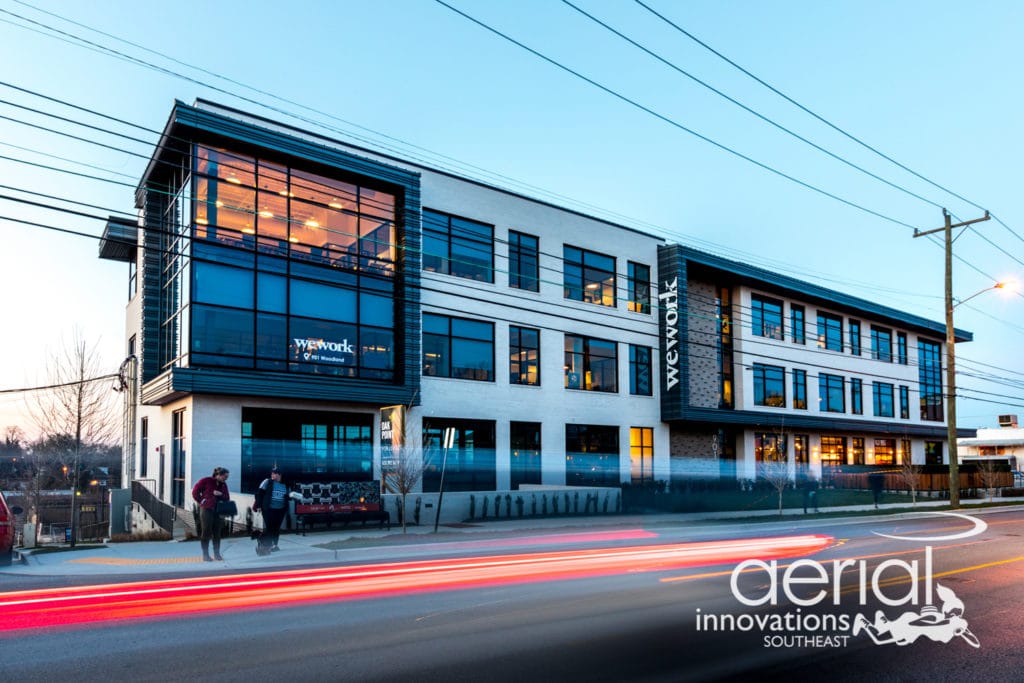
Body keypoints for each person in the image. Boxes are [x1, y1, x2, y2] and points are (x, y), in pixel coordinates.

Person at [192, 466, 230, 561]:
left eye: (227, 477)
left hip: (219, 511)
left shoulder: (224, 485)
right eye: (225, 476)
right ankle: (205, 555)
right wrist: (202, 501)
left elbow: (227, 498)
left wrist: (220, 494)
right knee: (206, 532)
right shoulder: (206, 480)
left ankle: (217, 554)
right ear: (218, 475)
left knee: (217, 533)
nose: (226, 478)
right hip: (207, 510)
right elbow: (195, 492)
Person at [253, 467, 289, 552]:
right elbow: (260, 493)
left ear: (279, 474)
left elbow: (287, 496)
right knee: (270, 528)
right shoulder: (267, 481)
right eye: (271, 473)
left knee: (276, 528)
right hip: (268, 509)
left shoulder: (285, 484)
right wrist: (258, 505)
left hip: (280, 510)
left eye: (274, 473)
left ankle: (275, 545)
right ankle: (266, 544)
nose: (272, 475)